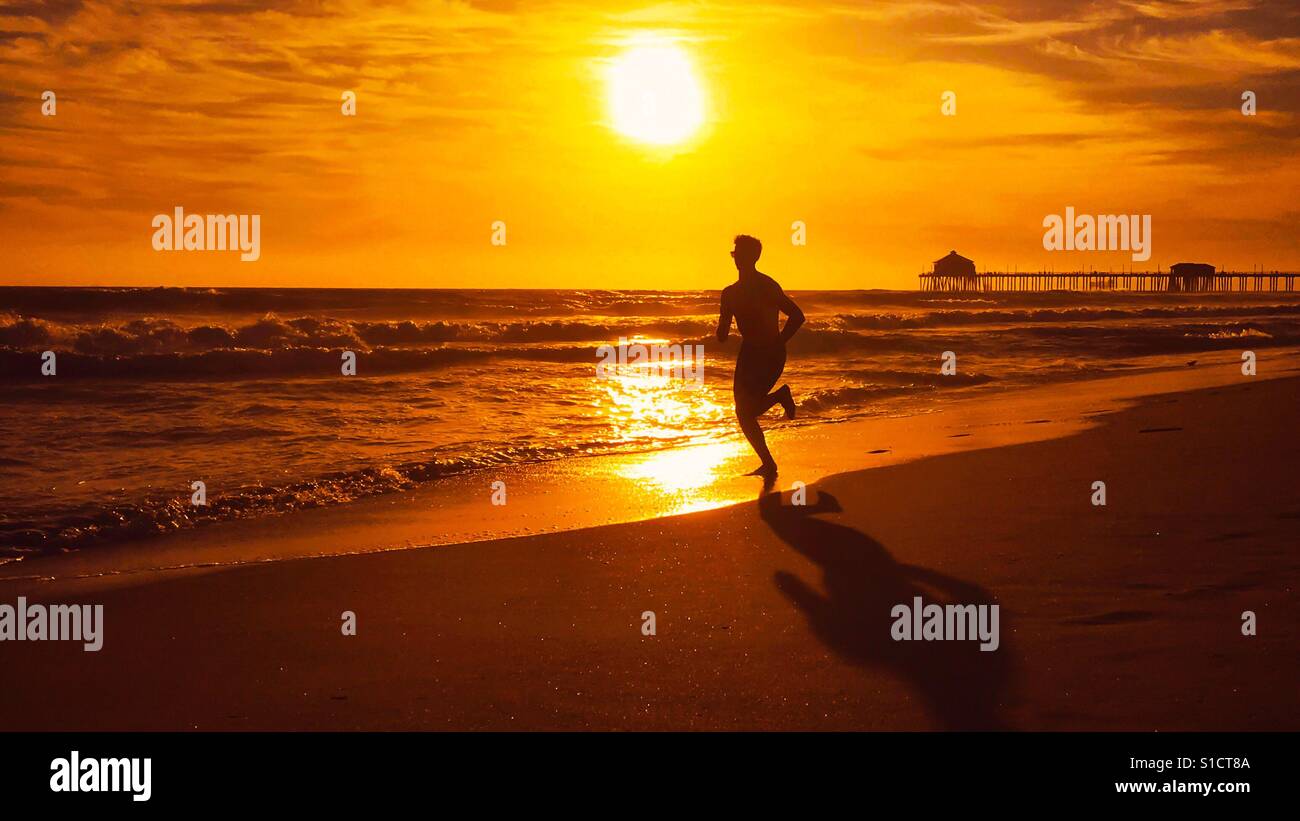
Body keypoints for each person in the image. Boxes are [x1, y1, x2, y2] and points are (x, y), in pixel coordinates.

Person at [716, 234, 803, 477]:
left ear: (753, 257)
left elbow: (797, 315)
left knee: (745, 411)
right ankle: (768, 462)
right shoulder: (729, 293)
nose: (737, 258)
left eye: (741, 253)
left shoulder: (768, 286)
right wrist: (723, 322)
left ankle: (769, 463)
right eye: (735, 253)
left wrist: (780, 341)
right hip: (749, 354)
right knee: (743, 412)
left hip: (770, 352)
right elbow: (722, 334)